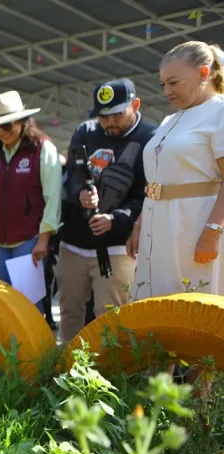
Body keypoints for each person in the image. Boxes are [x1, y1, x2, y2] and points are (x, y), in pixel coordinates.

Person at [56, 78, 157, 342]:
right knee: (69, 311)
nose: (109, 123)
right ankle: (66, 371)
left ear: (135, 105)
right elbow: (74, 175)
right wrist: (81, 195)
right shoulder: (85, 132)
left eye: (116, 115)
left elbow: (150, 194)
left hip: (117, 246)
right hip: (75, 242)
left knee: (111, 315)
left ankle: (109, 375)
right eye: (103, 117)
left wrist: (117, 219)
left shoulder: (151, 137)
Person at [125, 41, 224, 300]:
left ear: (204, 73)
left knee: (193, 300)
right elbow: (159, 176)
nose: (167, 91)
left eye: (174, 82)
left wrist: (213, 231)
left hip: (195, 223)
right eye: (163, 85)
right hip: (157, 224)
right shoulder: (170, 119)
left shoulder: (220, 112)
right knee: (156, 300)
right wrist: (139, 222)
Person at [0, 90, 63, 313]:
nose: (2, 133)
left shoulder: (43, 150)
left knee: (29, 306)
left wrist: (44, 238)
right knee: (3, 306)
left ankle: (34, 349)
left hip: (29, 241)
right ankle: (6, 348)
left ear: (24, 122)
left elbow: (52, 198)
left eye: (8, 126)